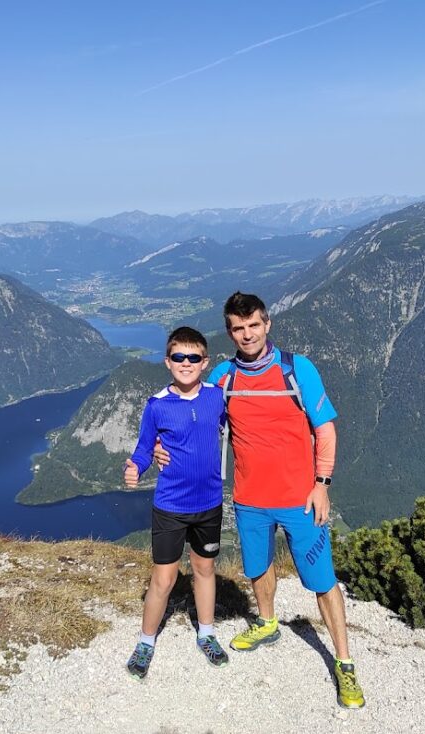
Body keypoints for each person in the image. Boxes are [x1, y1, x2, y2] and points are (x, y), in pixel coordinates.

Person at [155, 292, 365, 708]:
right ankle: (267, 622)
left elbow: (325, 431)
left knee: (322, 582)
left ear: (267, 325)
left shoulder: (295, 369)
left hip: (301, 499)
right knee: (258, 568)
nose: (247, 334)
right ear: (230, 332)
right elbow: (189, 407)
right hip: (249, 499)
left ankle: (344, 663)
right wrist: (159, 445)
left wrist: (322, 483)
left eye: (254, 325)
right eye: (238, 327)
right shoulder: (223, 377)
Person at [123, 326, 229, 680]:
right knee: (164, 579)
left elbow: (238, 428)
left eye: (194, 357)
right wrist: (138, 464)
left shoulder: (217, 396)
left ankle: (207, 633)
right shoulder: (157, 405)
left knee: (204, 570)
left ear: (205, 362)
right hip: (170, 505)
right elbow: (144, 445)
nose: (187, 363)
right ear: (168, 362)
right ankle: (145, 641)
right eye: (179, 357)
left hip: (210, 503)